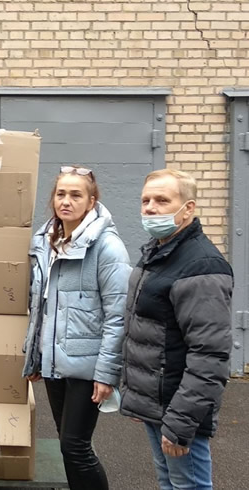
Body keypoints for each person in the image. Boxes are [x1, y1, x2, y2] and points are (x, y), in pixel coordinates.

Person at [121, 169, 233, 490]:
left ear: (188, 208)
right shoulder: (158, 253)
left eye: (162, 200)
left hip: (179, 409)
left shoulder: (201, 265)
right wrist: (138, 395)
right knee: (169, 482)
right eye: (145, 200)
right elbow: (143, 329)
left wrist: (181, 422)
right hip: (160, 404)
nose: (150, 208)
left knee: (189, 486)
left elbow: (209, 355)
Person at [22, 165, 132, 490]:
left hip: (88, 365)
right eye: (61, 194)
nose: (66, 201)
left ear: (91, 201)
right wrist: (36, 356)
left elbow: (118, 315)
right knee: (67, 445)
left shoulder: (107, 247)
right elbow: (40, 305)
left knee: (75, 447)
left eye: (75, 195)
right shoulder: (45, 242)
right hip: (55, 361)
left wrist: (106, 373)